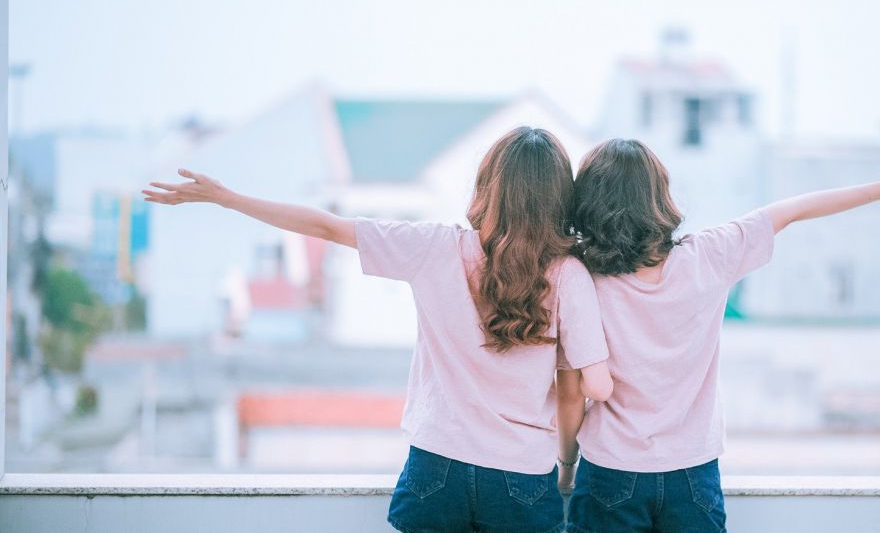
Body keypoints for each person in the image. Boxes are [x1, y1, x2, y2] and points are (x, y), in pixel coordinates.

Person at [144, 126, 614, 533]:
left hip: (437, 466)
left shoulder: (433, 247)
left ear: (488, 186)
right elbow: (578, 387)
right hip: (522, 475)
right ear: (558, 197)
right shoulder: (568, 274)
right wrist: (567, 466)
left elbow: (326, 227)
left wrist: (227, 198)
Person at [563, 138, 880, 532]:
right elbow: (793, 210)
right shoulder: (711, 255)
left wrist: (565, 462)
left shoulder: (581, 275)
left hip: (611, 468)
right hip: (693, 473)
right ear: (659, 195)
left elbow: (574, 385)